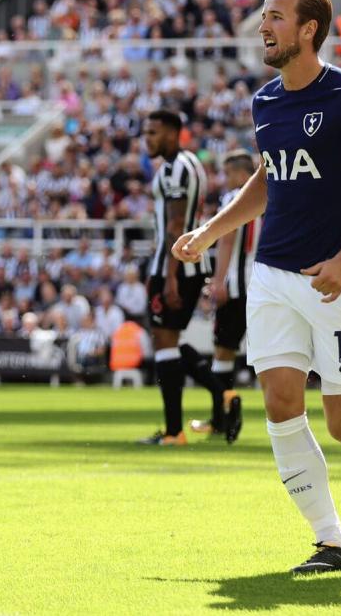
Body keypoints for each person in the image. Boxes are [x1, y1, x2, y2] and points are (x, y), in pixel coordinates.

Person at [173, 0, 341, 574]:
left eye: (276, 16)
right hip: (272, 276)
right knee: (280, 403)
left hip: (336, 281)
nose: (263, 25)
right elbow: (267, 178)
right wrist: (211, 230)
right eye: (264, 15)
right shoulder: (266, 101)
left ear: (308, 29)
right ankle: (332, 542)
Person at [138, 110, 210, 445]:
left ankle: (173, 431)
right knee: (168, 343)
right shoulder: (191, 163)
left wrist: (169, 277)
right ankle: (219, 395)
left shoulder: (176, 168)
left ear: (171, 133)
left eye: (153, 132)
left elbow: (176, 226)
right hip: (186, 265)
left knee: (164, 343)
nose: (147, 139)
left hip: (176, 266)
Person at [184, 150, 261, 443]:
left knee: (223, 350)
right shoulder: (273, 195)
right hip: (266, 285)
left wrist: (218, 281)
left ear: (242, 174)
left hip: (237, 285)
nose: (225, 180)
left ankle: (223, 412)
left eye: (228, 174)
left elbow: (227, 240)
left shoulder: (236, 199)